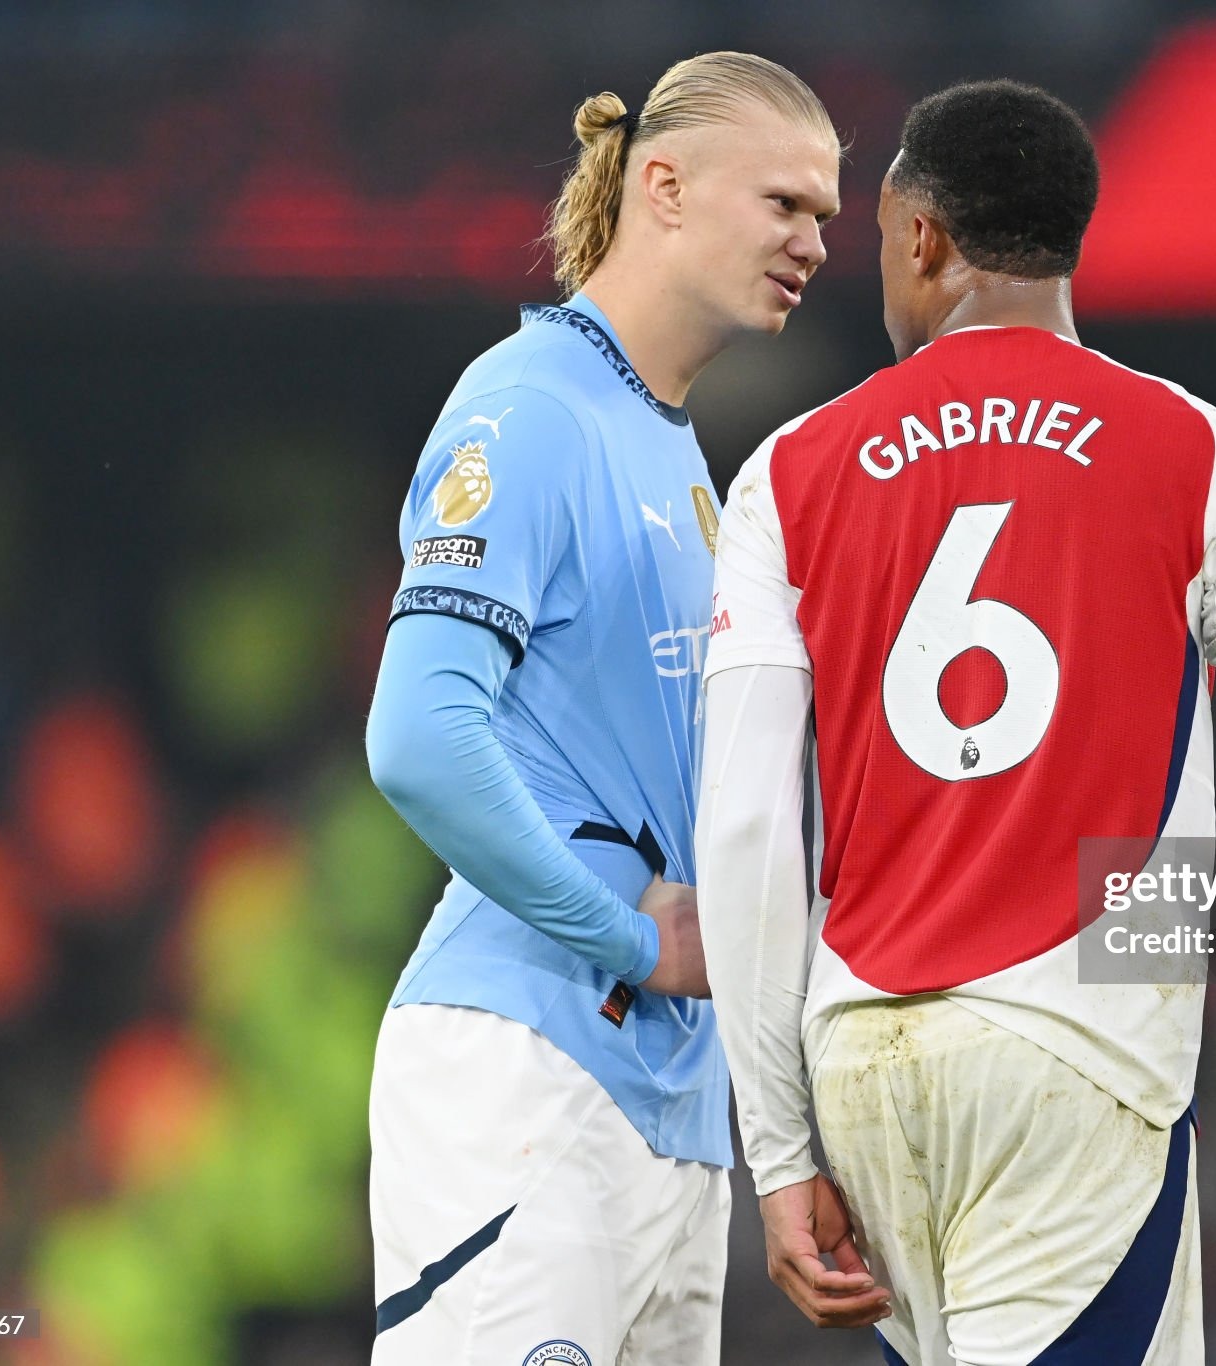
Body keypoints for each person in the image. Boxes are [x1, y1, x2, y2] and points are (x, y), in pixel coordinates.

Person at [695, 79, 1216, 1364]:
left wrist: (778, 1152)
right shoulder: (1203, 456)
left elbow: (740, 829)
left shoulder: (786, 473)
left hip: (859, 1064)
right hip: (1072, 1063)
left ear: (922, 238)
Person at [362, 52, 838, 1366]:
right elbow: (418, 738)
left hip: (672, 1114)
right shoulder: (528, 411)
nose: (812, 243)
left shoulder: (673, 449)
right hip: (528, 1068)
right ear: (665, 187)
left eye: (826, 218)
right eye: (786, 204)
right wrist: (623, 937)